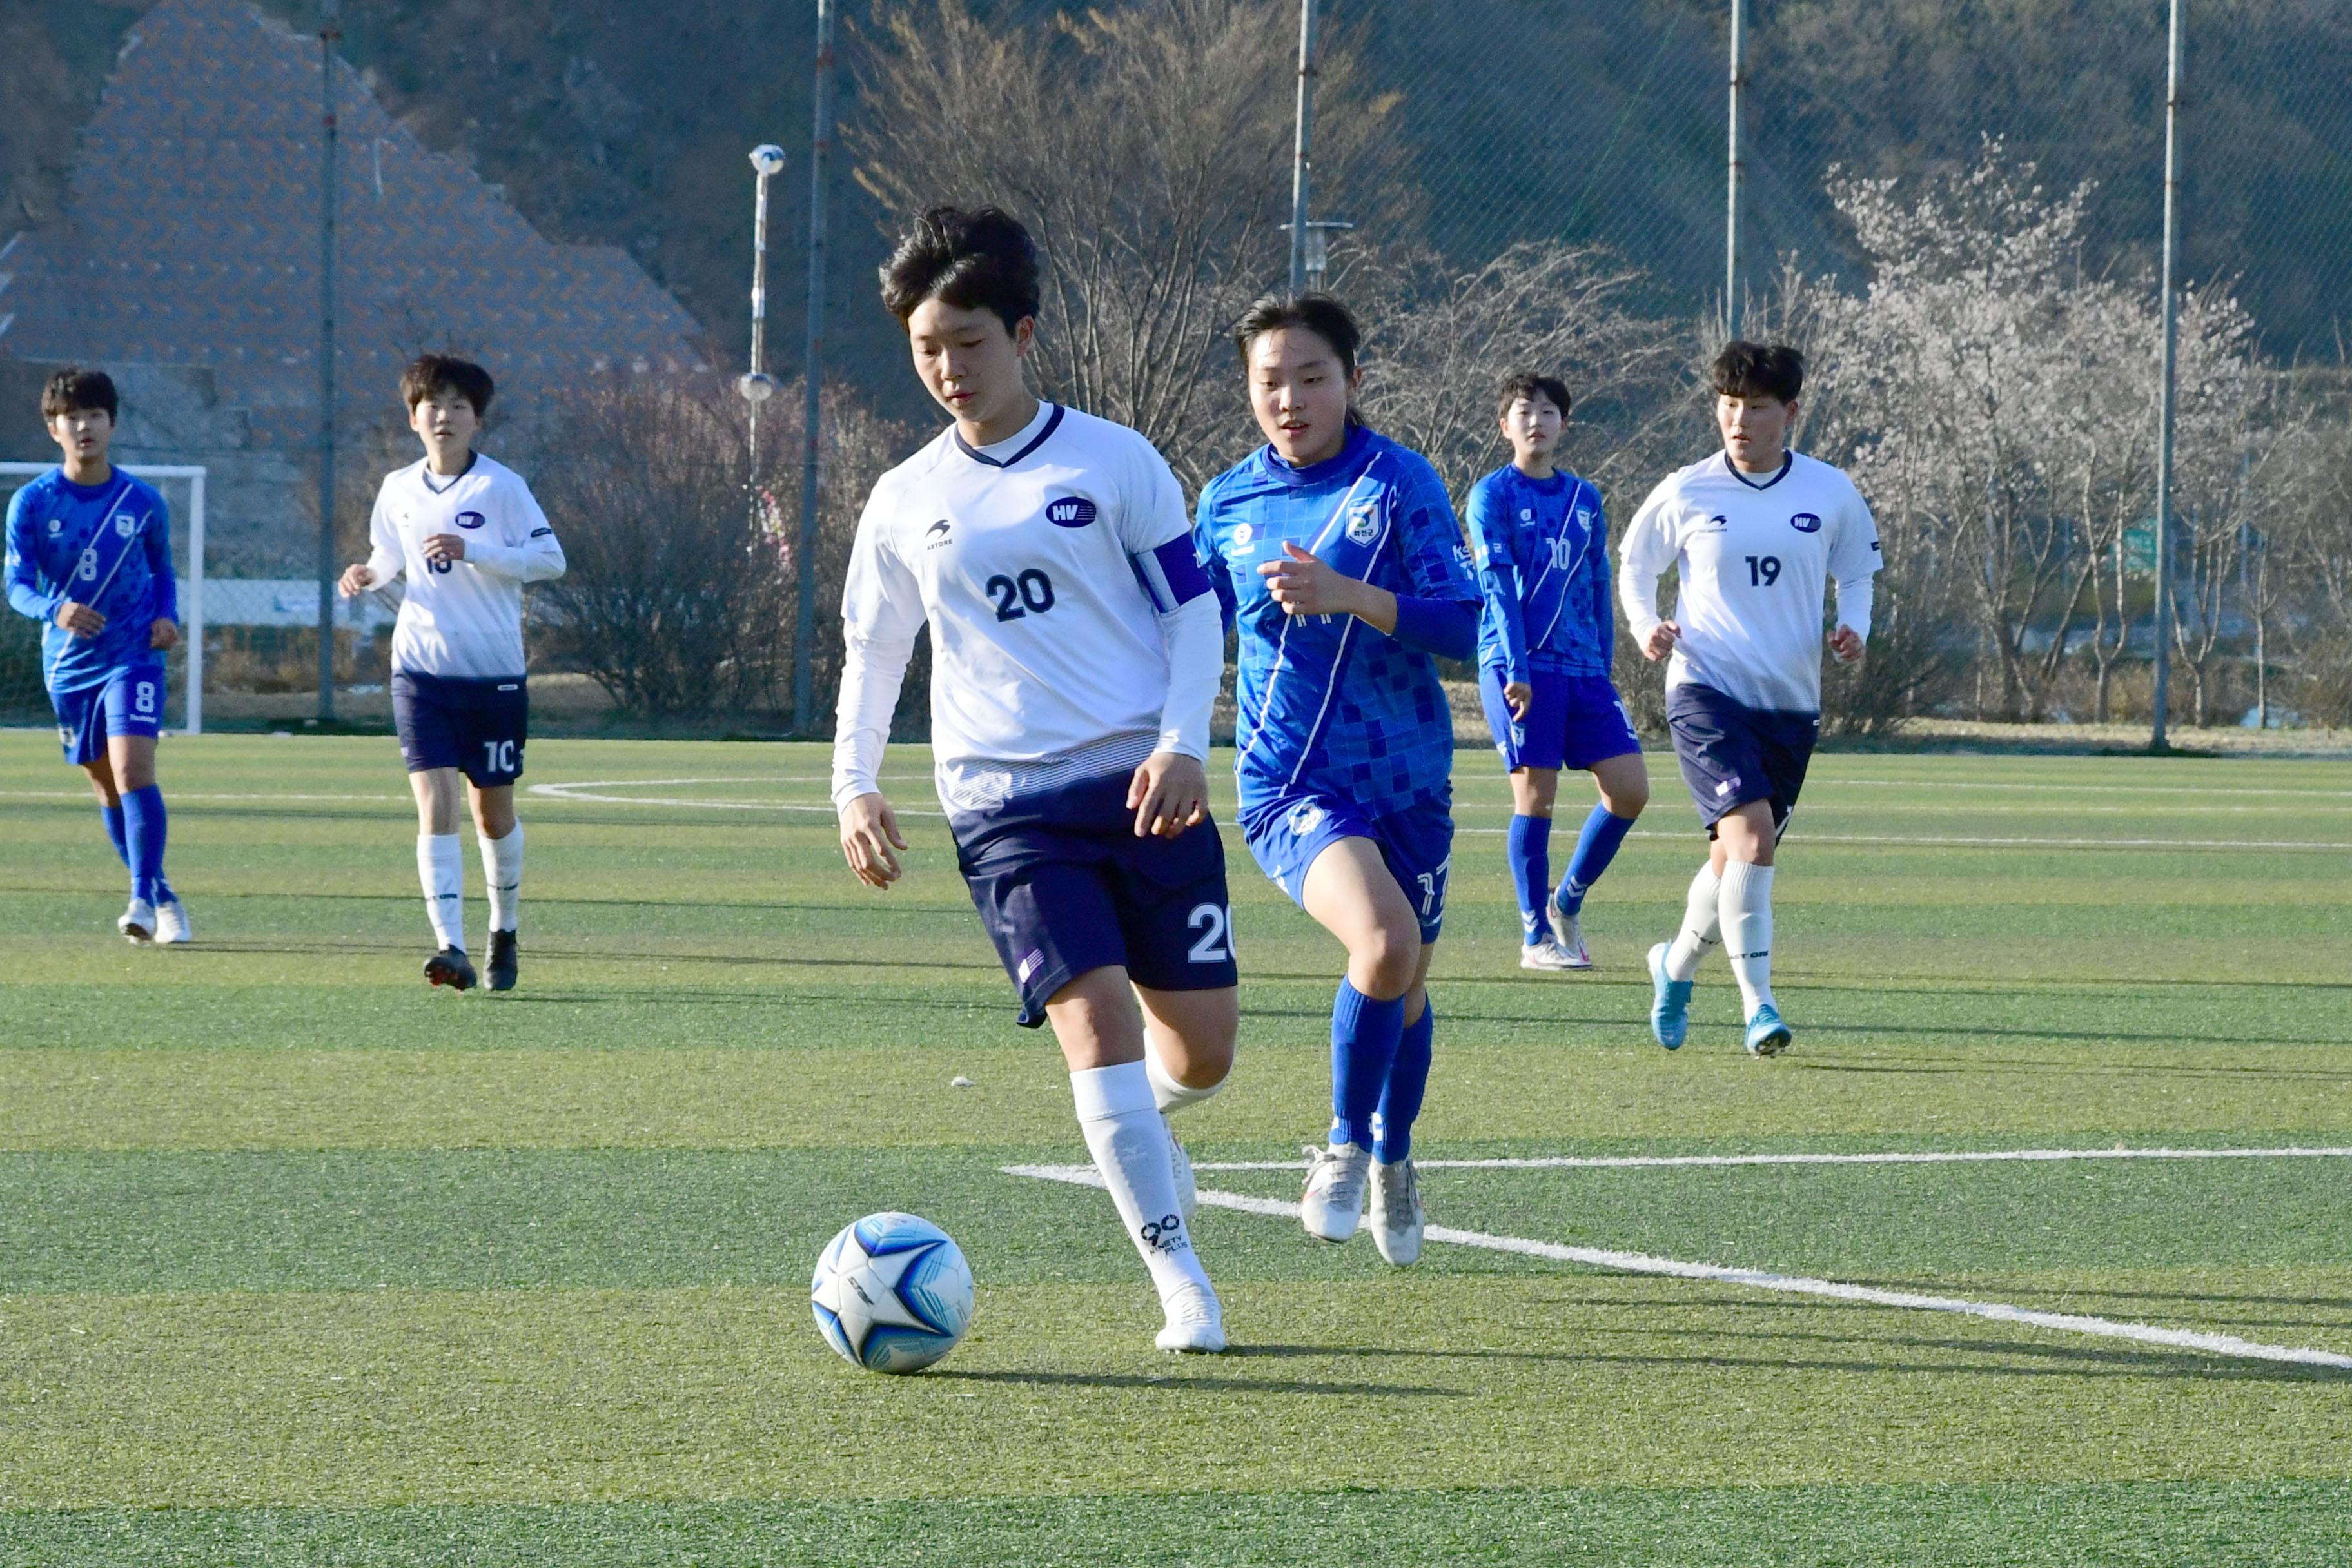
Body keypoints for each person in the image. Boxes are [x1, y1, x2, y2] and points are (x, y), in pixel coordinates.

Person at [831, 206, 1237, 1354]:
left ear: (1019, 333)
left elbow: (1192, 609)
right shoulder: (905, 498)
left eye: (968, 343)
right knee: (1094, 1019)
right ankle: (1180, 1281)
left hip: (1143, 787)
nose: (949, 369)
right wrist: (851, 784)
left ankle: (1143, 1145)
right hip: (1006, 807)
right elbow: (875, 649)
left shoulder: (1113, 459)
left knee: (1200, 1052)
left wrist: (1180, 743)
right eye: (926, 349)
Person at [1194, 293, 1480, 1268]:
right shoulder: (1226, 502)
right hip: (1289, 785)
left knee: (1403, 983)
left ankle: (1397, 1159)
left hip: (1408, 781)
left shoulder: (1401, 483)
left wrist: (1353, 596)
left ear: (1352, 382)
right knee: (1383, 939)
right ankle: (1347, 1147)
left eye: (1311, 377)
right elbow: (1183, 634)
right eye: (1269, 381)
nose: (1290, 398)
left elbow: (1464, 624)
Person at [1617, 342, 1879, 1055]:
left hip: (1790, 704)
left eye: (1756, 408)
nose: (1738, 420)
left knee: (1736, 862)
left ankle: (1672, 967)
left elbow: (1858, 573)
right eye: (1728, 406)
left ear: (1790, 413)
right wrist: (1647, 627)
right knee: (1754, 838)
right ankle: (1758, 1006)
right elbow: (1636, 567)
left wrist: (1855, 624)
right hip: (1706, 689)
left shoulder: (1829, 491)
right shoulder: (1687, 490)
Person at [338, 355, 565, 993]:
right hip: (420, 671)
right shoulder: (397, 488)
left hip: (492, 676)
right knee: (434, 805)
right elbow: (389, 554)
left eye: (459, 405)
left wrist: (479, 551)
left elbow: (551, 559)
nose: (445, 416)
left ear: (477, 419)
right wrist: (368, 573)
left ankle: (505, 927)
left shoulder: (501, 488)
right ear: (413, 417)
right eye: (432, 404)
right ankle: (450, 945)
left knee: (492, 814)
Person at [1468, 371, 1648, 972]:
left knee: (1629, 790)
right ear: (1505, 427)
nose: (1536, 422)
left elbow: (1597, 582)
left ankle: (1565, 901)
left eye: (1548, 412)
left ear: (1564, 425)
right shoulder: (1491, 495)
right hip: (1520, 667)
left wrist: (1604, 661)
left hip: (1582, 668)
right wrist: (1516, 667)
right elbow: (1496, 588)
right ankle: (1534, 937)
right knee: (1536, 799)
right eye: (1524, 411)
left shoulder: (1585, 498)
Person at [5, 368, 188, 944]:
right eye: (71, 417)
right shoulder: (32, 504)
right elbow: (16, 585)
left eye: (94, 416)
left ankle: (137, 896)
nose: (84, 426)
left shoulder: (142, 500)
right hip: (68, 665)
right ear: (53, 427)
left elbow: (162, 569)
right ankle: (162, 895)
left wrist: (167, 615)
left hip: (133, 653)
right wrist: (53, 610)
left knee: (135, 770)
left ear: (112, 424)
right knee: (107, 785)